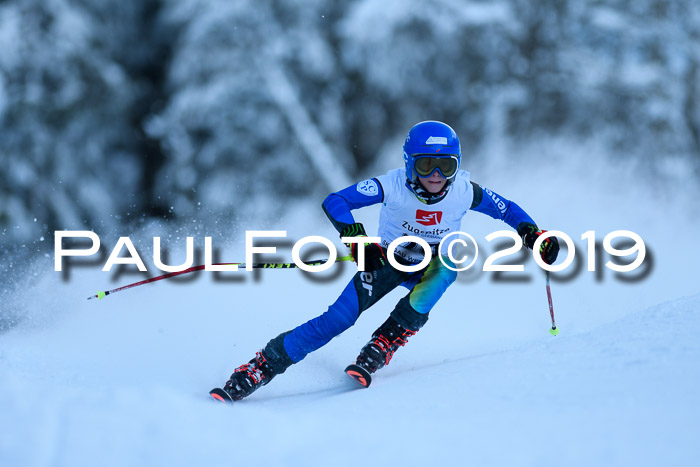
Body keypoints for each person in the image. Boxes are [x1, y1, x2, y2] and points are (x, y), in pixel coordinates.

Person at [210, 121, 559, 403]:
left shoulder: (465, 191)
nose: (436, 175)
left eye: (446, 165)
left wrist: (534, 235)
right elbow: (335, 201)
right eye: (425, 164)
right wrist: (357, 239)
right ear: (410, 163)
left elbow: (508, 211)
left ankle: (386, 340)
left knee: (450, 263)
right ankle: (260, 368)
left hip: (430, 266)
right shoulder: (391, 184)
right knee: (336, 320)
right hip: (386, 262)